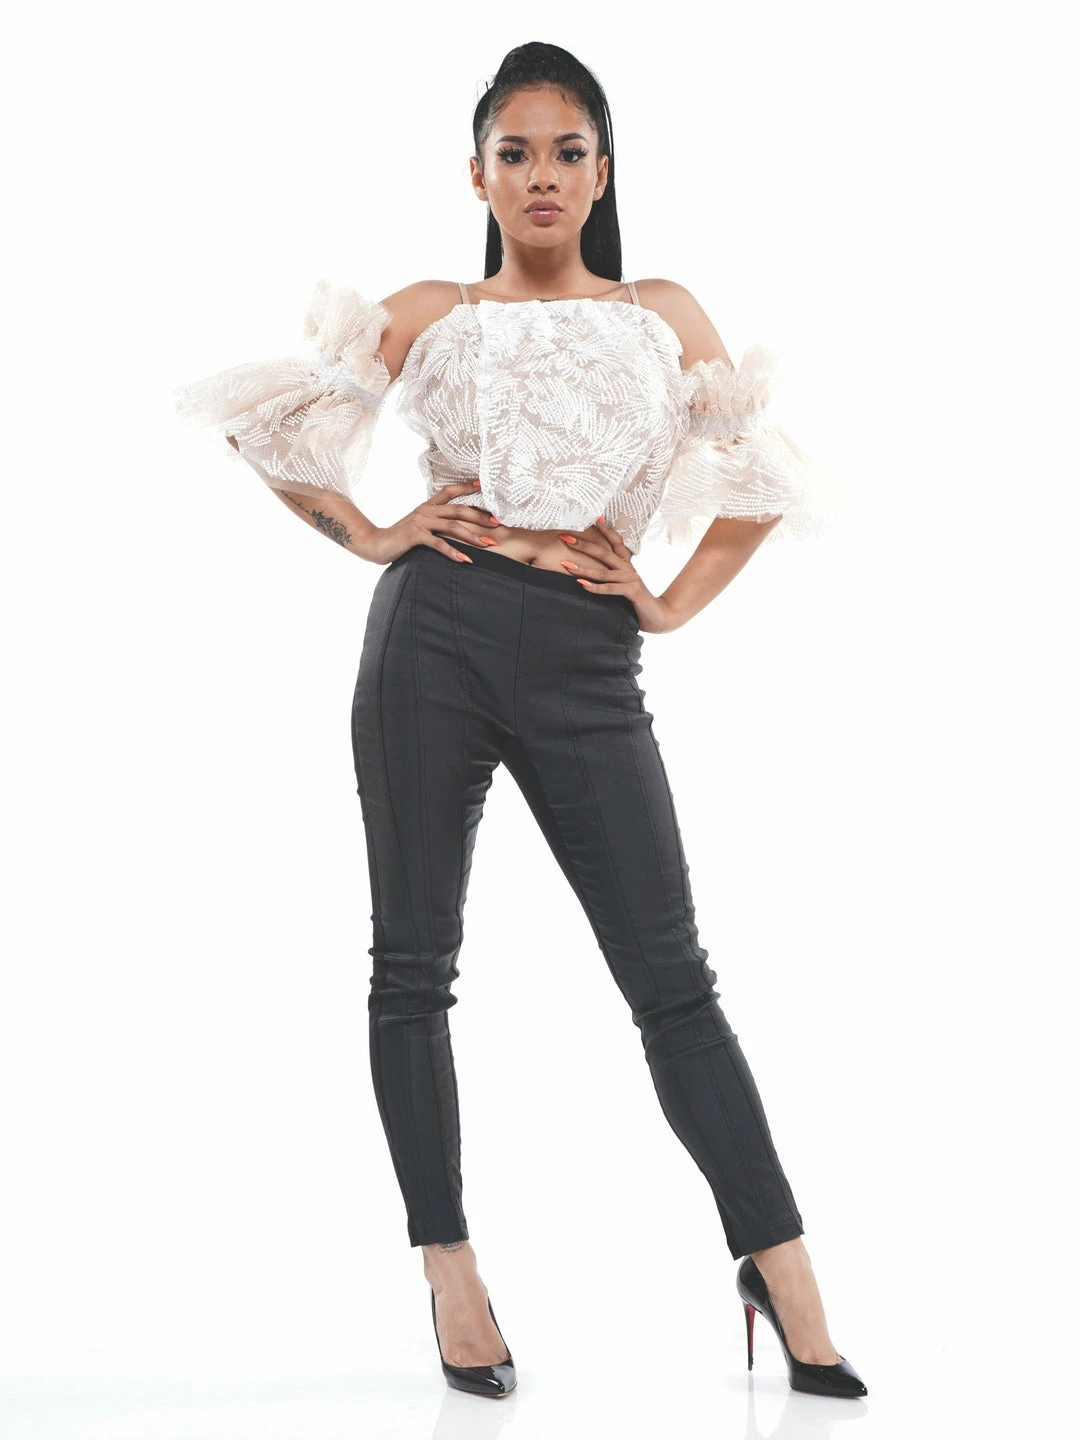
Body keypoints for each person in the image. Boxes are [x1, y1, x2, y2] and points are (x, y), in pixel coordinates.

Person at [174, 41, 865, 1402]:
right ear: (478, 176)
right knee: (412, 966)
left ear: (603, 173)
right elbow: (267, 425)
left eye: (567, 152)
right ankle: (452, 1273)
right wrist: (377, 530)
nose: (541, 175)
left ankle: (783, 1273)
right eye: (514, 153)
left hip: (588, 662)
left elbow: (756, 480)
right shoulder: (432, 312)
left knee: (671, 979)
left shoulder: (663, 314)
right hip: (431, 638)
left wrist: (663, 605)